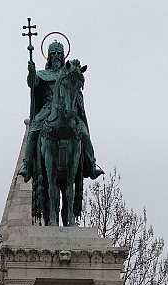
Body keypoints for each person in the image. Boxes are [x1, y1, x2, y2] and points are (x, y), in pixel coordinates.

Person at [18, 40, 103, 183]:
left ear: (63, 56)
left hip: (68, 110)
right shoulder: (42, 74)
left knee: (84, 133)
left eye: (59, 53)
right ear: (49, 56)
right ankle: (26, 166)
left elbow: (76, 91)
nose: (56, 55)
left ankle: (91, 164)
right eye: (53, 53)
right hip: (47, 110)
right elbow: (32, 84)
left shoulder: (69, 74)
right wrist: (31, 72)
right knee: (32, 132)